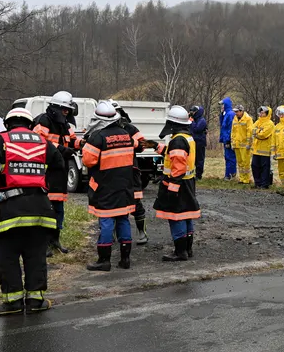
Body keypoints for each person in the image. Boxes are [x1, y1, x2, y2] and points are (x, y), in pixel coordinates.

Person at [0, 108, 65, 315]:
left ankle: (12, 304)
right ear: (30, 124)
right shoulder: (43, 142)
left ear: (7, 124)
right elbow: (59, 163)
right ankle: (36, 302)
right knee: (36, 256)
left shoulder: (2, 139)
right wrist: (43, 182)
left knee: (7, 256)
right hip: (40, 208)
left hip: (10, 209)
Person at [80, 101, 135, 271]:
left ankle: (104, 260)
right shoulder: (126, 134)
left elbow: (88, 161)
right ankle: (125, 259)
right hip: (125, 185)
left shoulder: (98, 137)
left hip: (106, 187)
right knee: (123, 219)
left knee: (106, 221)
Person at [32, 90, 80, 257]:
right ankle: (43, 242)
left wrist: (84, 142)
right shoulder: (43, 120)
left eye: (68, 110)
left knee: (59, 207)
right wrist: (60, 148)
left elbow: (72, 140)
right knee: (45, 207)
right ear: (56, 108)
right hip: (45, 171)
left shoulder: (64, 124)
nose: (67, 112)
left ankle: (55, 240)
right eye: (64, 109)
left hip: (60, 171)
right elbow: (39, 141)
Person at [153, 106, 202, 261]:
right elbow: (175, 154)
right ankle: (187, 249)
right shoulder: (186, 137)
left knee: (176, 216)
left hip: (178, 184)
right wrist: (156, 147)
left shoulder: (178, 140)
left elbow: (178, 167)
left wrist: (172, 189)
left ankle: (180, 252)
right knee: (186, 215)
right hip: (188, 183)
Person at [110, 100, 149, 245]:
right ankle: (112, 233)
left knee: (135, 202)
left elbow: (143, 145)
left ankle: (142, 233)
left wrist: (131, 141)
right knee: (112, 203)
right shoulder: (103, 129)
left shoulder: (130, 128)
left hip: (131, 171)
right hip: (111, 171)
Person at [251, 106, 275, 189]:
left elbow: (263, 135)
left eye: (263, 112)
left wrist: (256, 132)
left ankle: (264, 184)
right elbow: (251, 130)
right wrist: (259, 131)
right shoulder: (258, 121)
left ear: (267, 114)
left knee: (265, 168)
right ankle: (257, 183)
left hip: (265, 149)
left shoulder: (270, 123)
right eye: (260, 112)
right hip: (256, 149)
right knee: (254, 166)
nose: (261, 114)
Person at [232, 105, 254, 184]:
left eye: (237, 111)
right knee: (240, 162)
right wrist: (232, 142)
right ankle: (241, 178)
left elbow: (250, 132)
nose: (236, 113)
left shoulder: (248, 119)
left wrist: (249, 143)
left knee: (245, 163)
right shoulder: (235, 119)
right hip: (237, 144)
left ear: (241, 111)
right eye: (235, 111)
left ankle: (246, 179)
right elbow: (233, 132)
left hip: (245, 145)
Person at [219, 97, 237, 181]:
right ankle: (229, 174)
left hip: (229, 139)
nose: (222, 106)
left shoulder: (230, 114)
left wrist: (228, 140)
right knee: (227, 157)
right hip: (225, 139)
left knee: (230, 157)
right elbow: (222, 125)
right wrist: (221, 114)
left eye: (223, 104)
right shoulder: (226, 114)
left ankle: (230, 174)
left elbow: (230, 128)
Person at [189, 105, 208, 180]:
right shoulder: (194, 119)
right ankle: (191, 174)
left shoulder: (202, 120)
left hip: (200, 143)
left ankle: (198, 175)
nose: (192, 113)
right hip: (193, 142)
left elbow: (197, 129)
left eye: (194, 111)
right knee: (192, 159)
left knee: (199, 159)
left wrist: (191, 122)